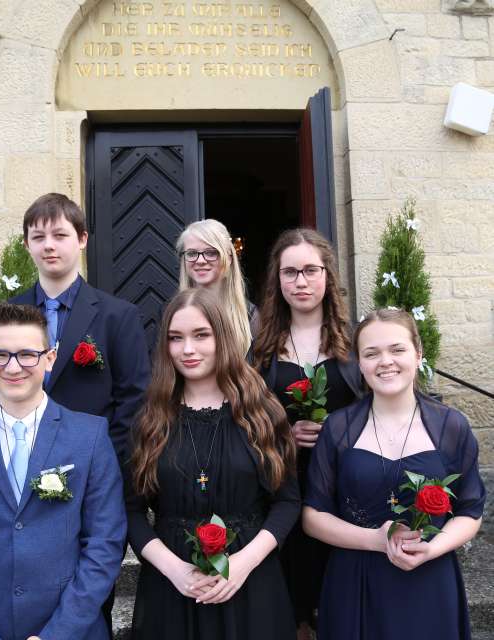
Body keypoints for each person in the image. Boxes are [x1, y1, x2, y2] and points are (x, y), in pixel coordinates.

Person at [0, 303, 126, 640]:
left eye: (27, 354)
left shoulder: (89, 437)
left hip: (72, 630)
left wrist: (57, 634)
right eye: (1, 355)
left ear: (49, 358)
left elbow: (104, 546)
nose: (14, 367)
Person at [125, 288, 300, 639]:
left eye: (201, 335)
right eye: (176, 338)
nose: (188, 350)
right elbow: (130, 512)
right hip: (172, 588)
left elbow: (287, 502)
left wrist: (243, 564)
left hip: (249, 582)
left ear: (223, 337)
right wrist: (174, 570)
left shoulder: (261, 412)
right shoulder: (150, 419)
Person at [303, 308, 485, 640]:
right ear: (360, 363)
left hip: (429, 578)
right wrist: (374, 540)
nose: (385, 361)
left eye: (397, 349)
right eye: (372, 353)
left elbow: (471, 512)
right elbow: (313, 516)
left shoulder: (451, 426)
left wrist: (432, 548)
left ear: (418, 353)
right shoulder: (338, 429)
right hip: (355, 581)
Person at [0, 192, 150, 465]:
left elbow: (135, 402)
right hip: (16, 464)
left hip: (94, 466)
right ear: (27, 244)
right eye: (38, 237)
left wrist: (101, 461)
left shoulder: (118, 316)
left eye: (60, 236)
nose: (49, 246)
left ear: (82, 239)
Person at [251, 227, 364, 639]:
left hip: (345, 487)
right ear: (277, 280)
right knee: (292, 593)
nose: (300, 282)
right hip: (283, 484)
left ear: (327, 276)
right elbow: (246, 416)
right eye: (290, 272)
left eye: (310, 271)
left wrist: (339, 431)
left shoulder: (353, 343)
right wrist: (282, 431)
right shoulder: (262, 346)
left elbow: (377, 408)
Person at [176, 219, 256, 355]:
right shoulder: (171, 313)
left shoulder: (251, 317)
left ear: (229, 258)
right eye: (192, 253)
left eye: (211, 253)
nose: (200, 260)